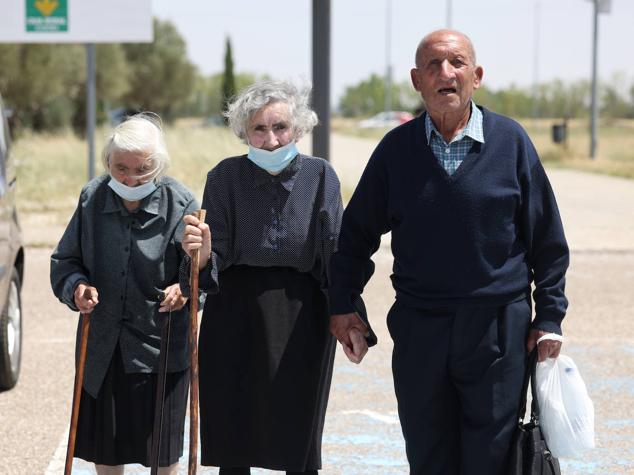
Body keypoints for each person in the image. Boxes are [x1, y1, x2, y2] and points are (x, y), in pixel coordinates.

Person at [328, 29, 570, 475]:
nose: (446, 73)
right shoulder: (394, 151)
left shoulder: (511, 142)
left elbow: (548, 242)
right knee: (428, 455)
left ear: (476, 76)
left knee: (492, 459)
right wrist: (343, 304)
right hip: (422, 329)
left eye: (457, 63)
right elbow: (355, 236)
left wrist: (550, 317)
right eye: (434, 65)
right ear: (417, 80)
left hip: (497, 330)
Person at [181, 80, 342, 475]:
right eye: (259, 128)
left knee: (298, 431)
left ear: (298, 130)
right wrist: (199, 257)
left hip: (303, 314)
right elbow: (212, 255)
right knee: (234, 427)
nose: (271, 139)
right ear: (243, 133)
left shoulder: (321, 176)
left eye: (281, 127)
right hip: (235, 311)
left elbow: (335, 252)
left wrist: (346, 310)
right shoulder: (224, 176)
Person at [50, 114, 198, 475]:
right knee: (108, 452)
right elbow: (65, 261)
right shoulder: (92, 198)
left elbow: (200, 272)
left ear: (158, 165)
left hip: (160, 347)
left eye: (143, 169)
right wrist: (77, 288)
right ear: (107, 163)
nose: (131, 178)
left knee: (162, 456)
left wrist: (185, 292)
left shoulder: (181, 202)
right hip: (105, 347)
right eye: (121, 168)